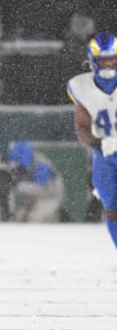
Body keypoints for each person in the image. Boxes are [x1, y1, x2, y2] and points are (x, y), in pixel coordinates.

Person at [69, 32, 117, 248]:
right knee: (112, 209)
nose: (108, 65)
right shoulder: (81, 87)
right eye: (103, 60)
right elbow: (81, 126)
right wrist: (98, 143)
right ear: (92, 61)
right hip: (104, 155)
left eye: (111, 59)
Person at [6, 141, 65, 223]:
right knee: (19, 218)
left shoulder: (41, 165)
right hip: (32, 197)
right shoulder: (19, 165)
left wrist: (17, 186)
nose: (16, 168)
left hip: (50, 196)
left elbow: (41, 189)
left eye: (18, 164)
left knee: (35, 218)